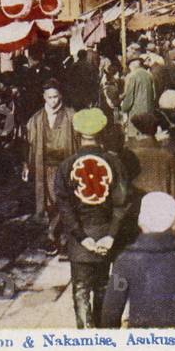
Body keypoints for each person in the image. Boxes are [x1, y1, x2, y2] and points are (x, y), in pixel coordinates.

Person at [54, 108, 130, 328]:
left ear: (78, 133)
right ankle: (105, 332)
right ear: (102, 132)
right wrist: (111, 235)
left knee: (80, 288)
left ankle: (85, 335)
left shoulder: (66, 166)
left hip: (80, 238)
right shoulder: (114, 163)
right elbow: (122, 202)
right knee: (103, 285)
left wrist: (80, 235)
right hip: (106, 233)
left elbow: (64, 206)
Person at [101, 192, 175, 328]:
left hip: (139, 340)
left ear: (140, 220)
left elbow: (111, 310)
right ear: (173, 221)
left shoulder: (126, 260)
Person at [23, 80, 80, 256]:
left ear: (60, 96)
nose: (53, 101)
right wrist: (26, 165)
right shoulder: (37, 119)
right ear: (44, 97)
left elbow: (79, 139)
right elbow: (28, 144)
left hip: (66, 165)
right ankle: (56, 236)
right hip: (45, 166)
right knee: (50, 202)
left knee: (64, 200)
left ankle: (57, 237)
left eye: (56, 96)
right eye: (49, 97)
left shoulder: (71, 115)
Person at [125, 113, 175, 244]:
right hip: (162, 219)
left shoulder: (127, 155)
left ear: (137, 131)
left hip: (133, 218)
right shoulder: (167, 156)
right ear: (156, 130)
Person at [121, 55, 156, 139]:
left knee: (134, 138)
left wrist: (123, 108)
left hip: (135, 113)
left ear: (131, 65)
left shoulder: (132, 76)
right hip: (149, 112)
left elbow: (129, 97)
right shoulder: (149, 75)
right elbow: (154, 96)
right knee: (148, 136)